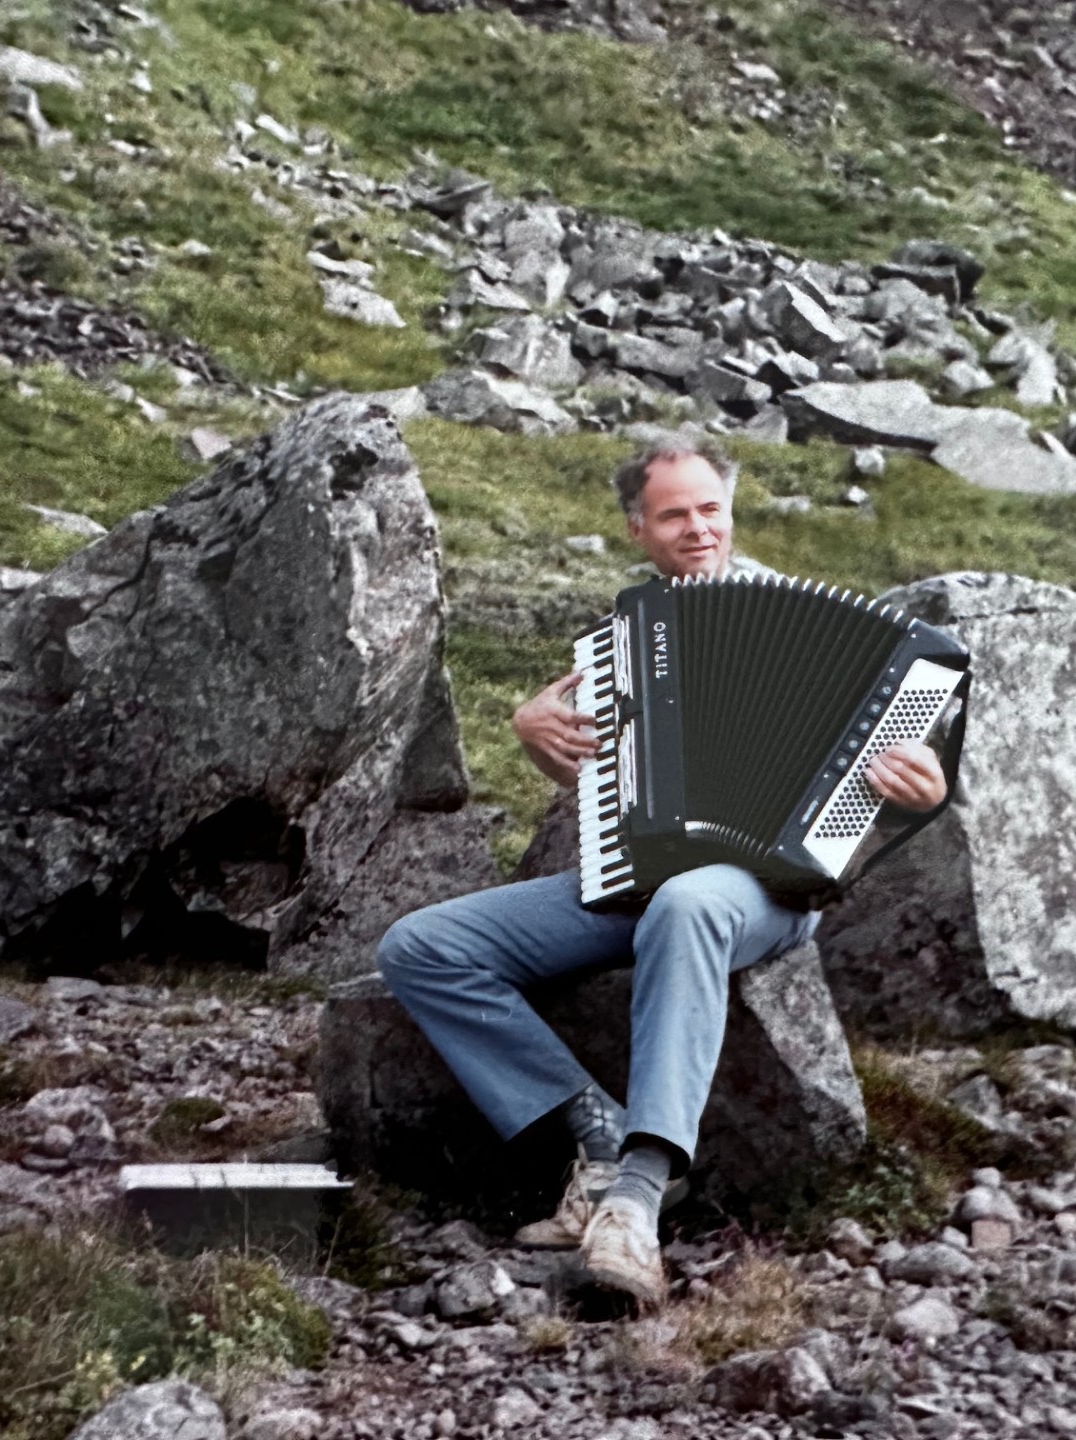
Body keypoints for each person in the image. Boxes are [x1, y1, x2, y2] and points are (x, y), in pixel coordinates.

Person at [376, 439, 952, 1306]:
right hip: (638, 883)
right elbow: (595, 776)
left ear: (730, 512)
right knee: (423, 944)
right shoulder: (629, 633)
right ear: (638, 528)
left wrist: (922, 792)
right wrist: (533, 730)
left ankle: (638, 1201)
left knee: (687, 902)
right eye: (675, 514)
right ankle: (593, 1127)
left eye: (710, 509)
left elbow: (910, 779)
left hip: (766, 890)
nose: (697, 529)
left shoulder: (795, 615)